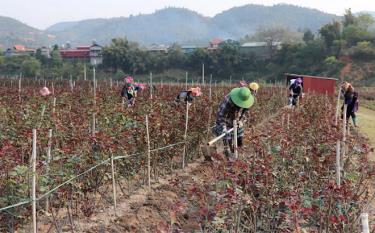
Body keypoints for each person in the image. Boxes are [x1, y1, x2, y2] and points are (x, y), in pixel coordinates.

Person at [213, 87, 255, 158]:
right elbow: (221, 115)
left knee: (240, 138)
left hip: (236, 119)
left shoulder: (247, 100)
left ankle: (240, 154)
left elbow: (245, 113)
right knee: (227, 138)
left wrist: (242, 120)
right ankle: (229, 154)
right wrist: (224, 127)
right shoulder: (228, 101)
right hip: (225, 120)